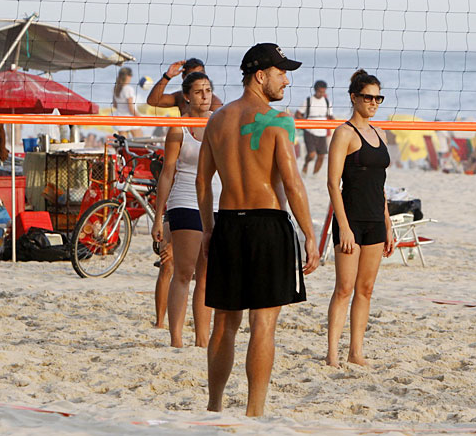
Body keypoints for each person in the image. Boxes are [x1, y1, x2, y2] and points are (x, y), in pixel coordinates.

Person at [196, 43, 319, 416]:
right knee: (263, 324)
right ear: (260, 75)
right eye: (281, 73)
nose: (286, 80)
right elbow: (293, 183)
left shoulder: (216, 119)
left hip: (228, 224)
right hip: (267, 224)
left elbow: (203, 183)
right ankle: (254, 411)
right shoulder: (276, 119)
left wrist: (207, 229)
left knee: (224, 323)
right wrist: (309, 234)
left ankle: (214, 406)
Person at [325, 69, 395, 368]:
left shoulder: (380, 133)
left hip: (375, 222)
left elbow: (380, 186)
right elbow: (332, 183)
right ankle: (332, 353)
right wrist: (343, 227)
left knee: (365, 290)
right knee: (344, 288)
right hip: (350, 220)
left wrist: (389, 225)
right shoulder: (344, 133)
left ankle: (356, 352)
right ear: (354, 98)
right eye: (368, 97)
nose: (374, 102)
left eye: (378, 97)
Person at [152, 72, 221, 348]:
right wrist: (159, 217)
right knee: (184, 272)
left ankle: (202, 341)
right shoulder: (178, 128)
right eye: (198, 91)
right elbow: (167, 173)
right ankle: (176, 339)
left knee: (206, 277)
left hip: (215, 203)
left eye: (207, 90)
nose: (205, 96)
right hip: (184, 201)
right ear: (187, 97)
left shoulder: (219, 124)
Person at [147, 58, 223, 115]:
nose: (198, 78)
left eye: (200, 74)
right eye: (193, 76)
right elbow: (153, 101)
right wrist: (167, 76)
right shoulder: (180, 97)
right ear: (184, 77)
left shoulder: (214, 103)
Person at [295, 79, 335, 174]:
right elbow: (298, 114)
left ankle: (314, 176)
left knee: (321, 156)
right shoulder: (308, 101)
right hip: (310, 131)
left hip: (322, 132)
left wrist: (334, 122)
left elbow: (330, 116)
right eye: (320, 91)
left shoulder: (327, 102)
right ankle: (306, 164)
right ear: (315, 90)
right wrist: (306, 122)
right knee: (312, 154)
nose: (321, 93)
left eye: (323, 92)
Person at [112, 66, 143, 138]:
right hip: (131, 119)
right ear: (127, 76)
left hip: (121, 119)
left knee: (123, 144)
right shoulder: (128, 89)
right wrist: (139, 117)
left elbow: (115, 105)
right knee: (140, 143)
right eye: (131, 75)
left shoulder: (116, 88)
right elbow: (130, 108)